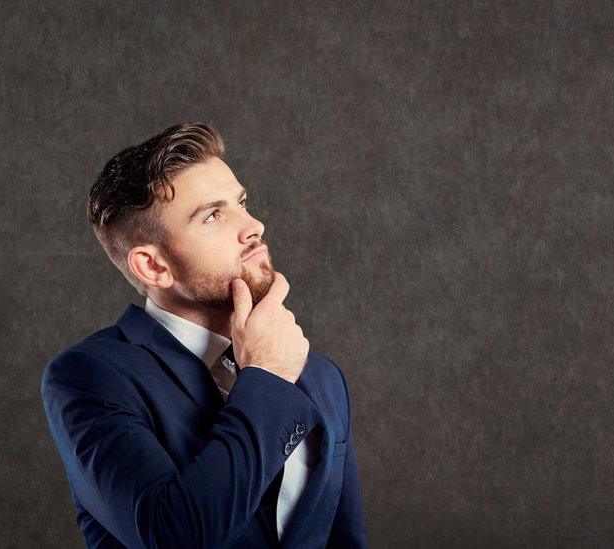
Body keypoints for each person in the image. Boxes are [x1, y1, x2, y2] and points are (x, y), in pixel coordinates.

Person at [40, 122, 369, 548]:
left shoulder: (322, 377)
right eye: (213, 215)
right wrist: (266, 375)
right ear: (153, 267)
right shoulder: (88, 376)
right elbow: (177, 536)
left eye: (242, 203)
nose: (254, 226)